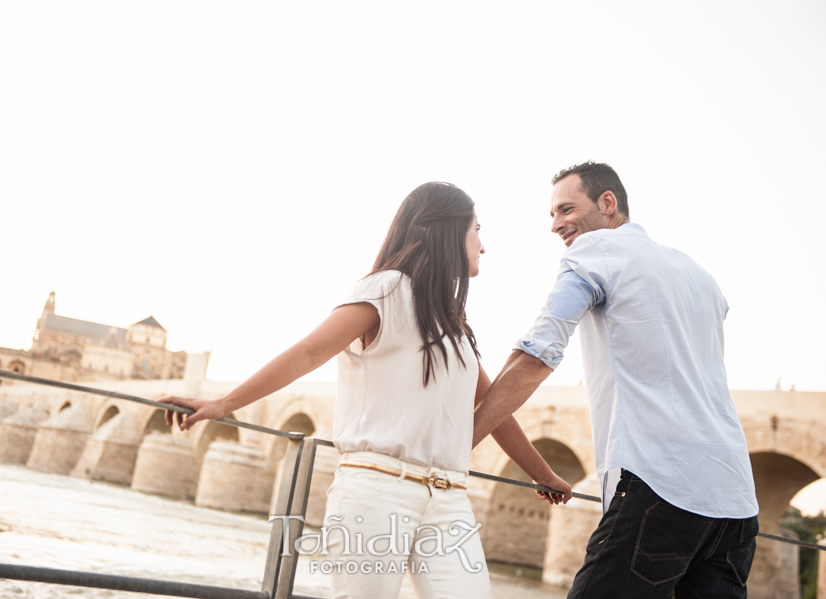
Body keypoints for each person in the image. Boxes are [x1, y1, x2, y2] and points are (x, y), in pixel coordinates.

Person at [159, 182, 572, 599]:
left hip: (449, 499)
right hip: (377, 490)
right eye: (476, 230)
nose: (483, 246)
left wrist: (545, 474)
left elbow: (492, 407)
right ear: (445, 231)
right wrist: (222, 404)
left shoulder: (454, 323)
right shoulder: (385, 289)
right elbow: (308, 353)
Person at [472, 162, 759, 598]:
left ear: (608, 203)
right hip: (735, 502)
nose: (555, 225)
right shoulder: (701, 277)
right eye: (552, 214)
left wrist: (460, 442)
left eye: (566, 209)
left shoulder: (595, 252)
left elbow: (539, 352)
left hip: (662, 485)